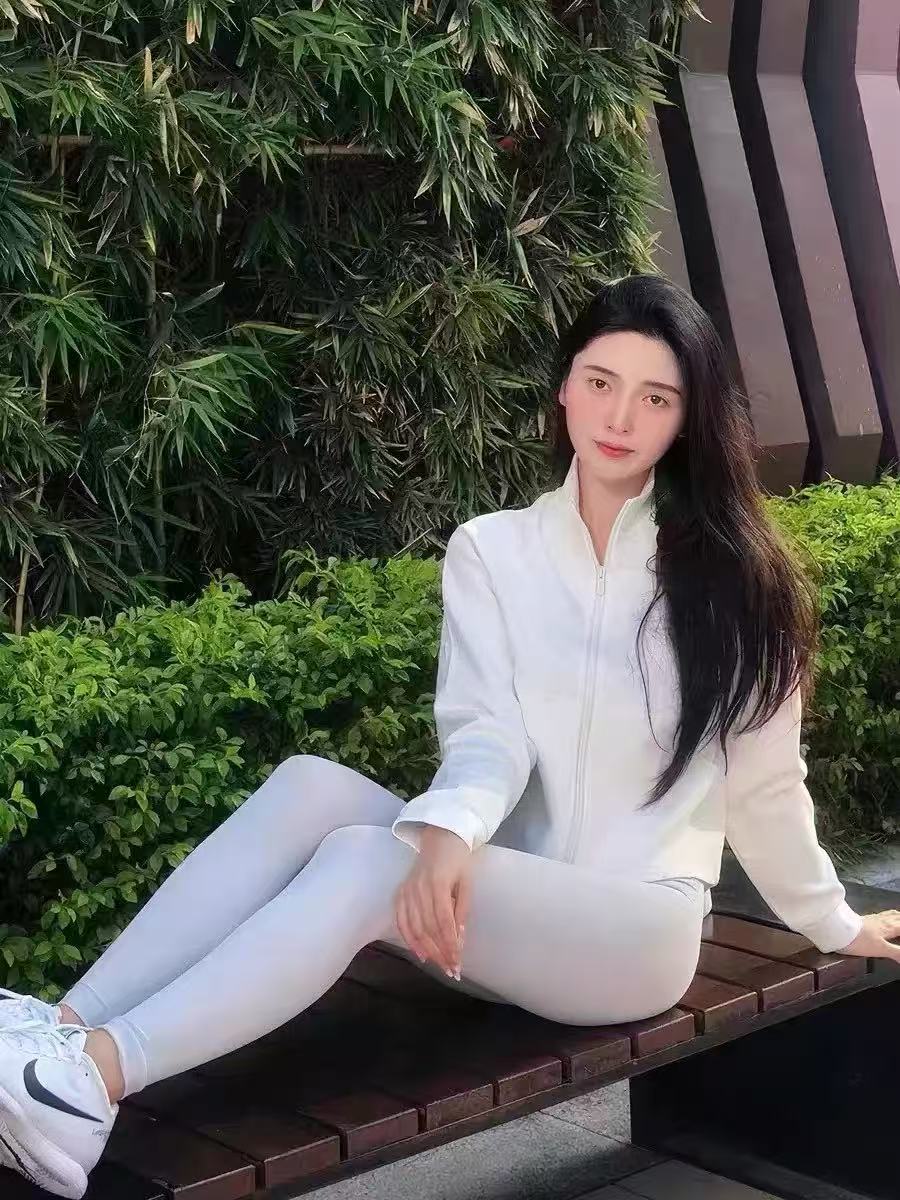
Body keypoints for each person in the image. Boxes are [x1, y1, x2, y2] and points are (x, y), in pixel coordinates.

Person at [1, 275, 898, 1199]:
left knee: (368, 859)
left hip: (636, 935)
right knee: (312, 784)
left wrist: (835, 922)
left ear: (688, 420)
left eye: (656, 397)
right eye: (600, 382)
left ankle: (95, 1080)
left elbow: (765, 788)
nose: (620, 417)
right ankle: (58, 1034)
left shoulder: (737, 582)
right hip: (500, 923)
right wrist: (452, 830)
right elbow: (487, 733)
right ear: (564, 386)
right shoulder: (493, 550)